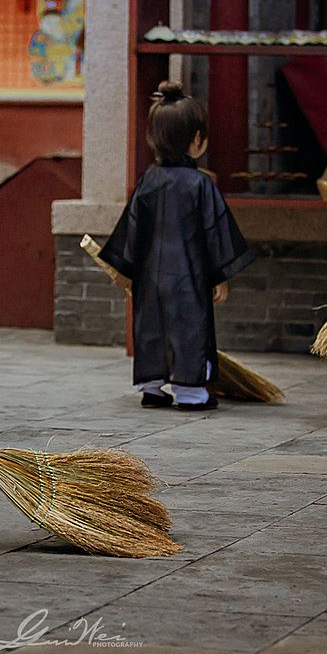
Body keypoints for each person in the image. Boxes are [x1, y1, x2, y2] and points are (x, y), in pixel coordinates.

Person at [99, 81, 255, 410]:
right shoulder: (200, 184)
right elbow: (216, 230)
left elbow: (132, 227)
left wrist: (125, 268)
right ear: (196, 139)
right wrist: (220, 274)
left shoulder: (148, 181)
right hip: (189, 275)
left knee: (151, 326)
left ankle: (152, 387)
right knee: (189, 327)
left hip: (150, 274)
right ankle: (190, 392)